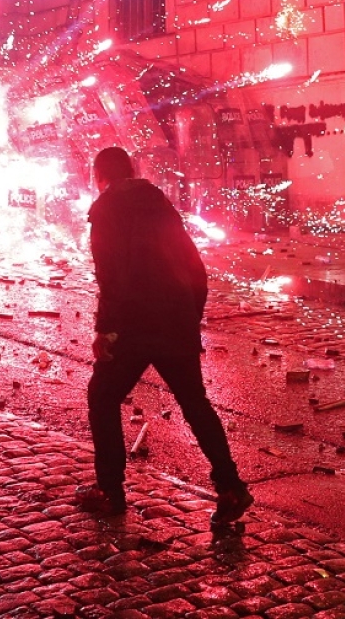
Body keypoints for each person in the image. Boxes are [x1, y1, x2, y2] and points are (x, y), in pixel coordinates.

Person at [78, 146, 253, 526]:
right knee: (195, 403)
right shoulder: (162, 207)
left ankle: (110, 489)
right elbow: (195, 267)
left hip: (135, 323)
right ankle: (230, 485)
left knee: (102, 396)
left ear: (98, 175)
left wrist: (105, 329)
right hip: (175, 318)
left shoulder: (106, 210)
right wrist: (190, 315)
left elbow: (111, 276)